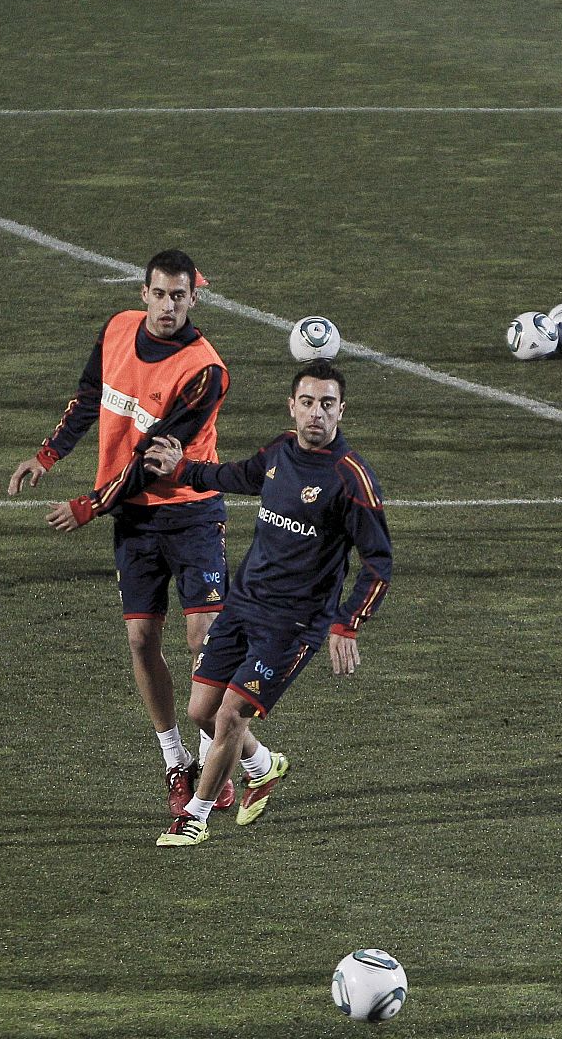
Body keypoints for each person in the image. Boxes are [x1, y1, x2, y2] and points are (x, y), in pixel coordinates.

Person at [7, 249, 237, 814]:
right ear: (143, 293)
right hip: (133, 520)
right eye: (158, 294)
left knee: (203, 638)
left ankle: (218, 758)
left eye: (178, 296)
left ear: (193, 298)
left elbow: (146, 464)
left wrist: (89, 505)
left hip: (189, 511)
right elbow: (89, 396)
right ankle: (175, 762)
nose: (167, 306)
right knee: (141, 640)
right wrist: (48, 455)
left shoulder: (205, 371)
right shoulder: (115, 330)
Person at [143, 361, 393, 847]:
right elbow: (239, 475)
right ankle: (262, 764)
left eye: (326, 404)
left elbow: (378, 562)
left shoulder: (351, 478)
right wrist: (185, 470)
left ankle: (194, 816)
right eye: (307, 402)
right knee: (202, 712)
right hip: (242, 606)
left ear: (342, 410)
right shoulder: (280, 450)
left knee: (231, 714)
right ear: (292, 406)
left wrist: (348, 623)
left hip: (294, 624)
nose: (315, 413)